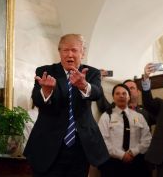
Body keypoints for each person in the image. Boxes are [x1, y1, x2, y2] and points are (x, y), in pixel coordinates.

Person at [23, 34, 109, 177]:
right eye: (65, 50)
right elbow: (37, 99)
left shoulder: (91, 73)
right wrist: (46, 91)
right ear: (59, 52)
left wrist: (84, 86)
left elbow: (97, 93)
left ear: (83, 52)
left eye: (74, 50)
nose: (69, 54)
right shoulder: (45, 72)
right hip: (48, 144)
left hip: (80, 145)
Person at [98, 84, 151, 177]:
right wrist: (121, 155)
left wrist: (133, 152)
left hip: (136, 163)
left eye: (124, 93)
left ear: (129, 97)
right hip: (113, 164)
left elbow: (147, 139)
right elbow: (102, 140)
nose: (121, 96)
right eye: (117, 93)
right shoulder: (106, 116)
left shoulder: (138, 116)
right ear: (113, 97)